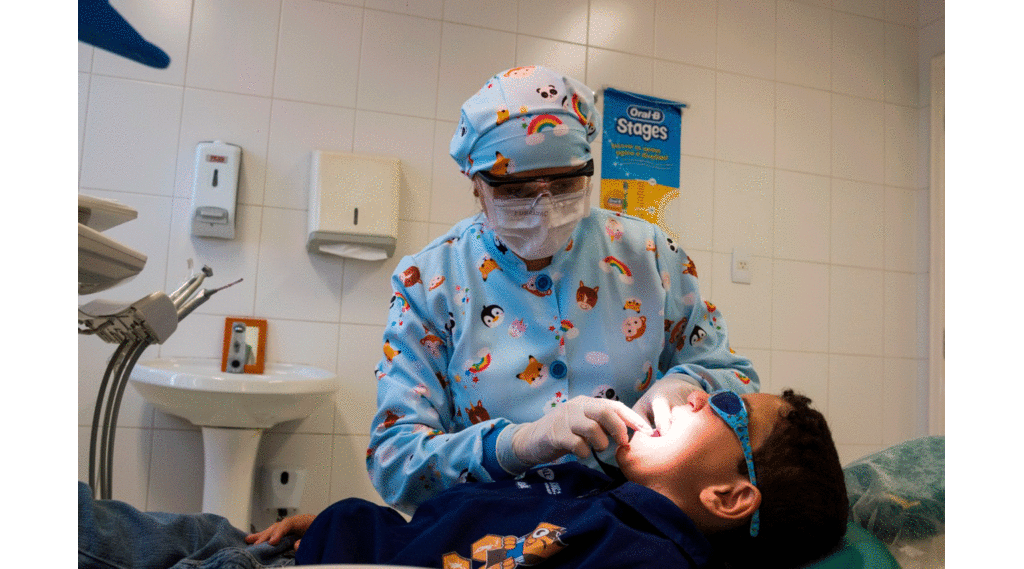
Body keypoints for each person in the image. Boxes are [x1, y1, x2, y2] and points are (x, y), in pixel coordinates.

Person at [369, 64, 759, 514]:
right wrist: (517, 444)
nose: (545, 206)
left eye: (566, 183)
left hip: (630, 528)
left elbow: (738, 380)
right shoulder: (430, 282)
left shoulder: (651, 255)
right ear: (476, 184)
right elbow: (394, 462)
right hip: (486, 534)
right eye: (516, 190)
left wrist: (685, 383)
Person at [78, 390, 849, 569]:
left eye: (718, 403)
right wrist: (333, 523)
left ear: (729, 494)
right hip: (292, 546)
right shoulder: (597, 498)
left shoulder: (639, 556)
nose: (684, 392)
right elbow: (445, 533)